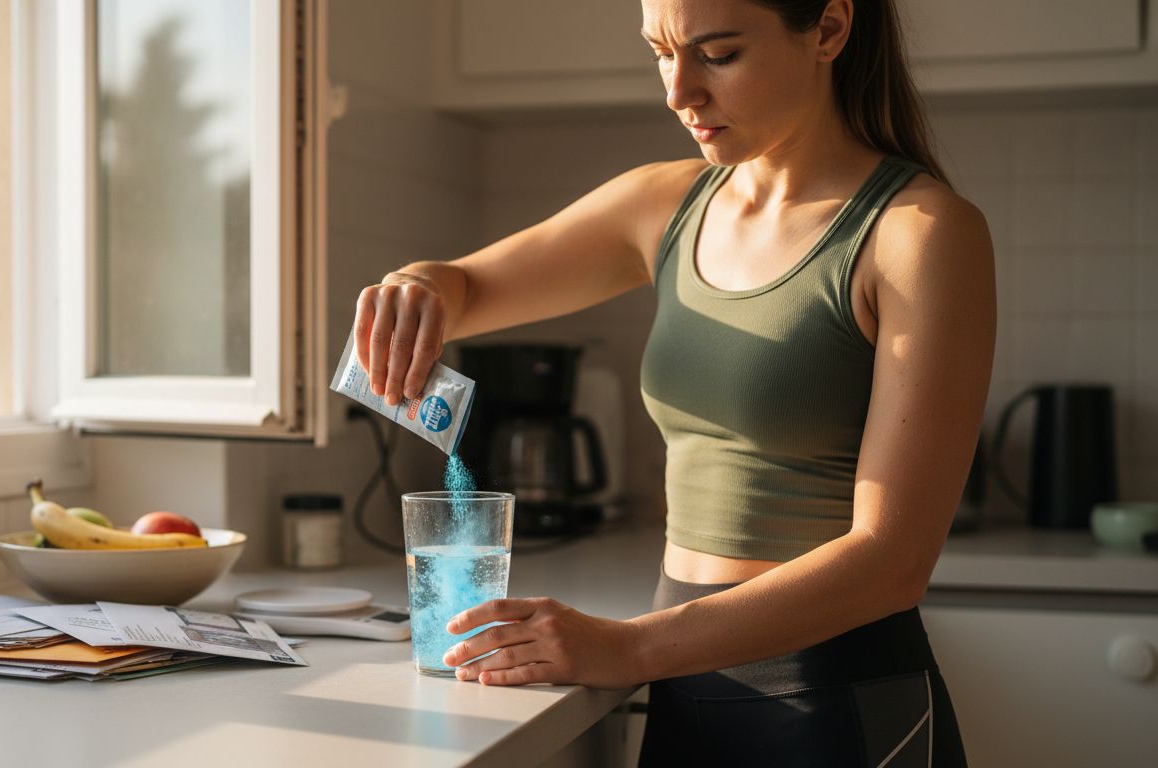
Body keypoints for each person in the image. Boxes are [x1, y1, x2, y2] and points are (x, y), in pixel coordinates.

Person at [350, 0, 992, 763]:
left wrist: (627, 650)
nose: (678, 91)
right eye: (662, 51)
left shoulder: (919, 232)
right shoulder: (668, 203)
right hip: (683, 692)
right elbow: (464, 285)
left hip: (836, 707)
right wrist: (416, 286)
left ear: (828, 28)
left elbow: (891, 563)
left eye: (717, 55)